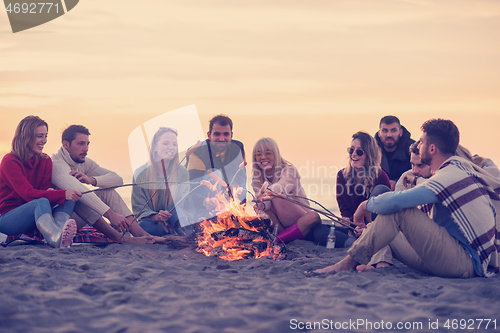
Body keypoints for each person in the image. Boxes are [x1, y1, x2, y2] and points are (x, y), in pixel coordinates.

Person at [315, 119, 500, 278]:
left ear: (432, 148)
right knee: (379, 225)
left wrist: (366, 205)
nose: (418, 146)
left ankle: (348, 262)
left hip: (465, 262)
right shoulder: (454, 169)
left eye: (421, 142)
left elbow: (397, 201)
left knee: (399, 211)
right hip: (447, 254)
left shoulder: (451, 175)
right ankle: (379, 264)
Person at [51, 125, 154, 245]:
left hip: (75, 220)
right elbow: (81, 192)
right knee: (80, 199)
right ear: (66, 144)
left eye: (87, 144)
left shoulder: (82, 162)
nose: (86, 149)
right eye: (80, 143)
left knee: (107, 192)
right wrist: (111, 215)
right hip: (59, 221)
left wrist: (91, 180)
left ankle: (141, 234)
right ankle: (121, 238)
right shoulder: (57, 165)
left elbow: (117, 180)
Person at [0, 116, 81, 248]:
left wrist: (59, 194)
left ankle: (59, 233)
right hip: (9, 218)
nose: (44, 141)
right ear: (26, 137)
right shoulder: (9, 161)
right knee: (43, 200)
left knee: (69, 198)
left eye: (45, 136)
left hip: (37, 216)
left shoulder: (45, 160)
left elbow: (44, 191)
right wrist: (60, 194)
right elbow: (27, 194)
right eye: (39, 136)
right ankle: (55, 237)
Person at [252, 137, 321, 244]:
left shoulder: (289, 170)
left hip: (302, 221)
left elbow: (282, 187)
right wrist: (262, 204)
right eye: (258, 154)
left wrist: (266, 193)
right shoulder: (257, 180)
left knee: (314, 216)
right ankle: (283, 237)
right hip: (281, 226)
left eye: (268, 153)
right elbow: (266, 203)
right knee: (264, 211)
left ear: (276, 154)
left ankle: (279, 240)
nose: (263, 157)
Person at [332, 131, 390, 247]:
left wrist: (365, 228)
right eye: (351, 150)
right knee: (319, 230)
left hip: (374, 227)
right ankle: (354, 243)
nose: (353, 154)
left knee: (380, 189)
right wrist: (346, 221)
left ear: (369, 155)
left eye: (359, 151)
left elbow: (383, 211)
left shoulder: (380, 176)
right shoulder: (341, 175)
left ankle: (361, 240)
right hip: (352, 228)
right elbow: (342, 203)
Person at [132, 127, 192, 236]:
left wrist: (169, 216)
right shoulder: (140, 173)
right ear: (155, 147)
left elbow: (184, 204)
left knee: (173, 208)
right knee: (143, 227)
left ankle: (186, 234)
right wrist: (157, 217)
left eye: (174, 144)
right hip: (153, 222)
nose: (171, 147)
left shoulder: (182, 172)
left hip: (176, 219)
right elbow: (139, 207)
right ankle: (171, 234)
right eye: (166, 143)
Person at [187, 115, 247, 220]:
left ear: (231, 135)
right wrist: (204, 201)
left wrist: (241, 208)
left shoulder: (238, 149)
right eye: (217, 134)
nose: (222, 138)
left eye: (226, 134)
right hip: (202, 206)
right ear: (209, 135)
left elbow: (241, 180)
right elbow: (191, 190)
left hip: (229, 204)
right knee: (215, 173)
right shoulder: (197, 152)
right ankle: (207, 220)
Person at [374, 116, 415, 190]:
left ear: (401, 132)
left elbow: (421, 173)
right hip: (378, 192)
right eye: (385, 131)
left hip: (406, 191)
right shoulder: (372, 150)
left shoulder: (413, 148)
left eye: (393, 130)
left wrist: (397, 182)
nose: (389, 135)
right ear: (379, 133)